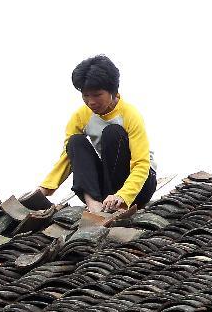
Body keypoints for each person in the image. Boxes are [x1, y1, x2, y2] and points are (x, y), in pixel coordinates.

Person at [37, 55, 157, 213]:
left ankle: (118, 204)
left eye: (97, 95)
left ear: (113, 91)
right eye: (86, 96)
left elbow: (141, 164)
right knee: (75, 142)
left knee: (112, 132)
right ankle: (93, 203)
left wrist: (122, 196)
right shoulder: (81, 116)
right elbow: (69, 156)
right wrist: (44, 188)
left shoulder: (130, 115)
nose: (91, 102)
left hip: (139, 186)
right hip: (106, 188)